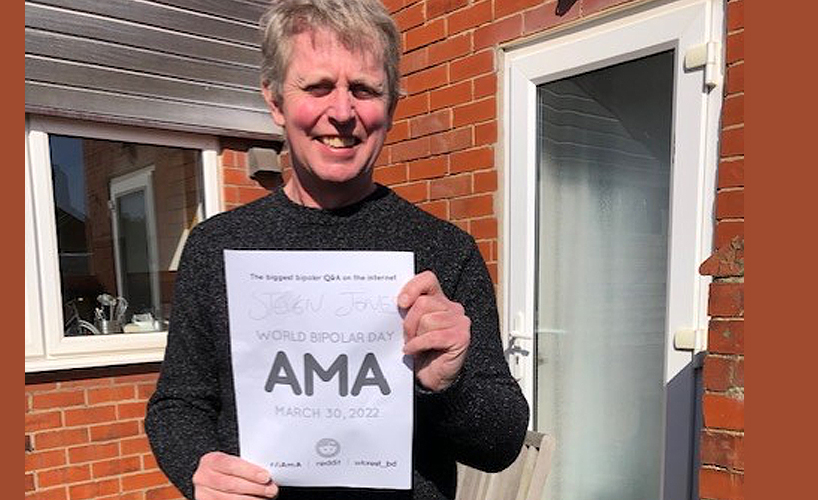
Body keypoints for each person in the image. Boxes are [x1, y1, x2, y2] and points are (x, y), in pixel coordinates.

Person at [144, 1, 529, 499]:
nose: (343, 112)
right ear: (276, 100)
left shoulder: (444, 251)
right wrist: (200, 468)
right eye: (318, 86)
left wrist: (446, 386)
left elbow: (500, 445)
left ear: (390, 108)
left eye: (365, 89)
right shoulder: (215, 247)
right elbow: (178, 403)